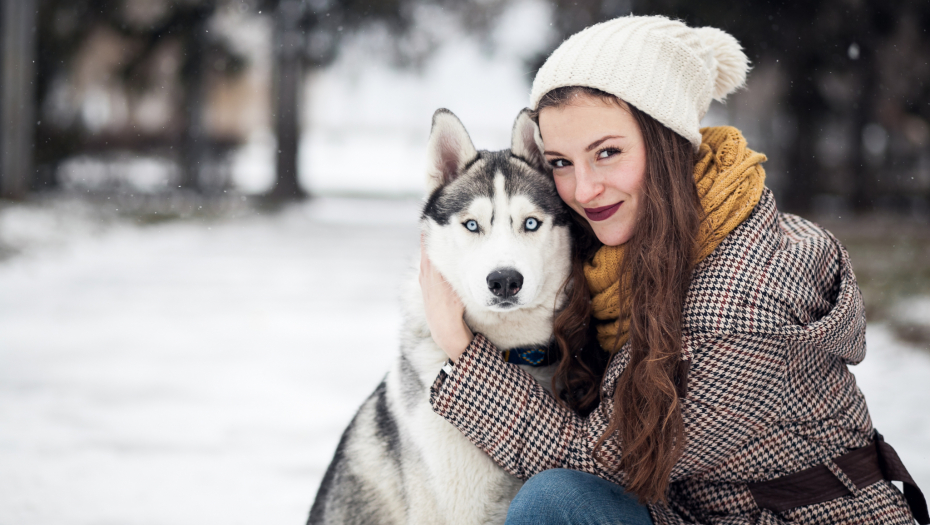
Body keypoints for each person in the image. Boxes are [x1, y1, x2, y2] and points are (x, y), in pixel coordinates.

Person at [418, 15, 929, 525]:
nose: (584, 188)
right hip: (698, 512)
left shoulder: (744, 301)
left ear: (666, 143)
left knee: (557, 502)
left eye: (607, 153)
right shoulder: (618, 253)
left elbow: (595, 466)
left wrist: (462, 350)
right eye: (560, 163)